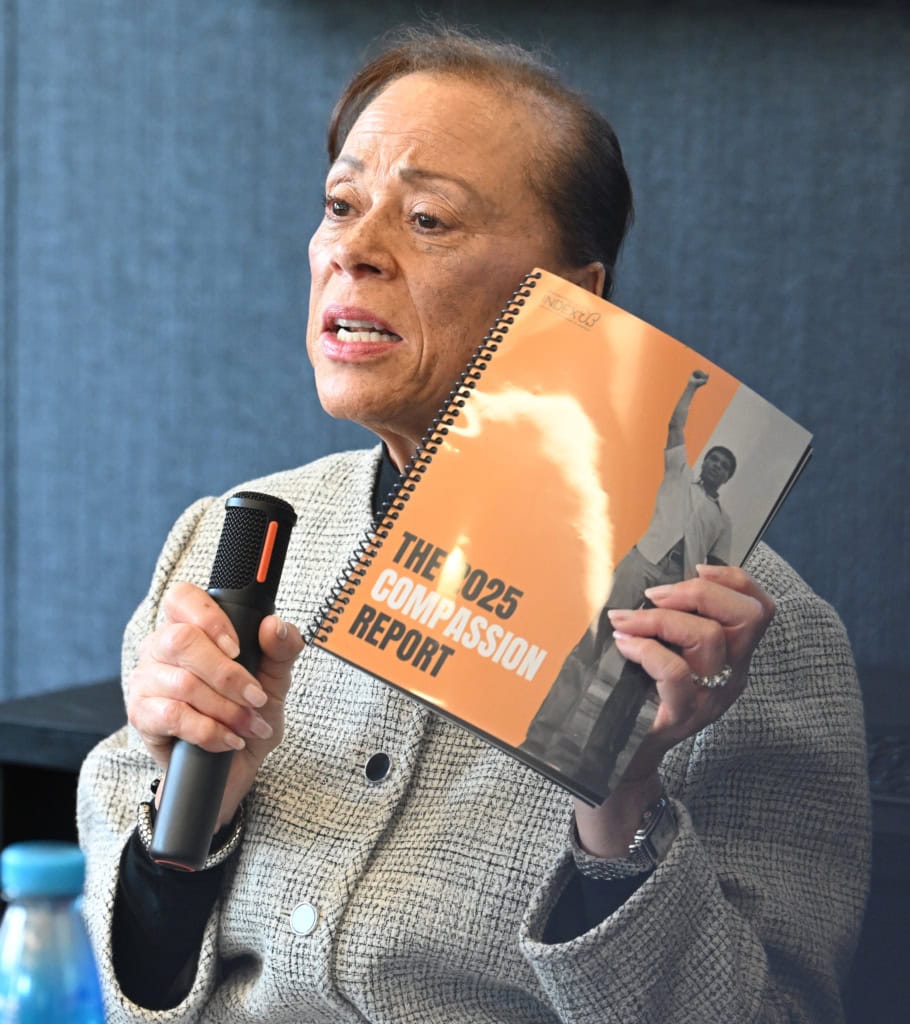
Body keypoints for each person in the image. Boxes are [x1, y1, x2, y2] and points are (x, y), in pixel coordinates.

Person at [76, 26, 870, 1024]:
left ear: (572, 296)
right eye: (339, 204)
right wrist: (189, 833)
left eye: (426, 219)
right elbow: (125, 991)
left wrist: (616, 807)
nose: (353, 252)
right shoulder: (226, 540)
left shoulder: (742, 635)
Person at [521, 369, 738, 793]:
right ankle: (538, 737)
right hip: (640, 562)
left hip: (674, 589)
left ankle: (594, 766)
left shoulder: (721, 520)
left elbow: (716, 569)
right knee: (591, 644)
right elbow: (675, 426)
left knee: (633, 679)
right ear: (705, 460)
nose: (716, 465)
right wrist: (690, 387)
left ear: (727, 478)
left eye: (725, 466)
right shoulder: (679, 474)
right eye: (714, 457)